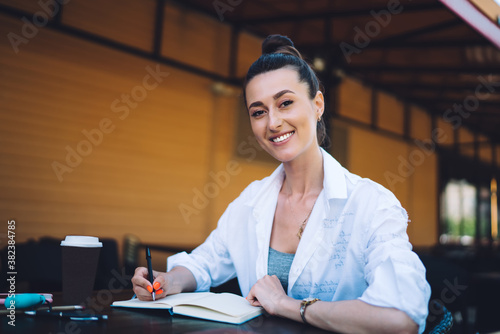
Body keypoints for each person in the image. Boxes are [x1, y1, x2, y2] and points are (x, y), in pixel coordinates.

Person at [132, 35, 431, 334]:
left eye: (285, 103)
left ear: (317, 105)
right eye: (258, 112)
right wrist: (169, 281)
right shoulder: (252, 200)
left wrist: (285, 304)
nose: (272, 122)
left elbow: (400, 317)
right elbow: (206, 262)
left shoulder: (371, 203)